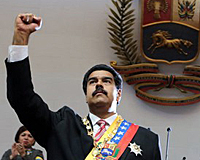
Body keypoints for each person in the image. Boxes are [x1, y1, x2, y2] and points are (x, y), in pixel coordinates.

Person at [5, 13, 162, 160]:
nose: (99, 84)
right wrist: (21, 37)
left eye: (106, 81)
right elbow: (22, 98)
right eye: (92, 82)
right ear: (86, 95)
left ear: (119, 94)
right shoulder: (61, 127)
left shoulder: (146, 139)